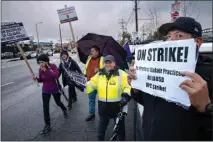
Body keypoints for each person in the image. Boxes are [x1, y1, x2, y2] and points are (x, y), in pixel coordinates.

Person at [128, 17, 212, 140]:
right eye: (169, 36)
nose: (170, 41)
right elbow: (147, 102)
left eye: (178, 36)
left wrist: (205, 108)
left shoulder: (208, 73)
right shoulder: (155, 68)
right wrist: (136, 88)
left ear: (198, 42)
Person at [86, 55, 131, 141]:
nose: (108, 64)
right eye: (106, 63)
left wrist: (125, 97)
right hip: (103, 108)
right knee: (100, 133)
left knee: (120, 132)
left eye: (110, 62)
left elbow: (128, 86)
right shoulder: (99, 74)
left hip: (118, 108)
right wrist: (81, 84)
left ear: (114, 63)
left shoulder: (122, 74)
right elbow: (91, 84)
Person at [33, 54, 68, 134]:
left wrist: (47, 71)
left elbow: (56, 75)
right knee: (45, 107)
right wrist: (36, 79)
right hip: (45, 90)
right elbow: (42, 79)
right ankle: (47, 125)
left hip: (55, 88)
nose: (41, 64)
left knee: (58, 102)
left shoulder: (53, 66)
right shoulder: (40, 69)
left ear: (46, 61)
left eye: (42, 62)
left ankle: (64, 109)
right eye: (39, 62)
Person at [83, 45, 104, 121]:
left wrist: (100, 70)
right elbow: (86, 67)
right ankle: (91, 113)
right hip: (90, 82)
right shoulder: (89, 58)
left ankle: (102, 114)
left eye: (93, 51)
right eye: (91, 51)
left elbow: (107, 70)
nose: (91, 52)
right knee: (91, 99)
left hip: (99, 83)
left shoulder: (102, 59)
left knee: (102, 100)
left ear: (97, 52)